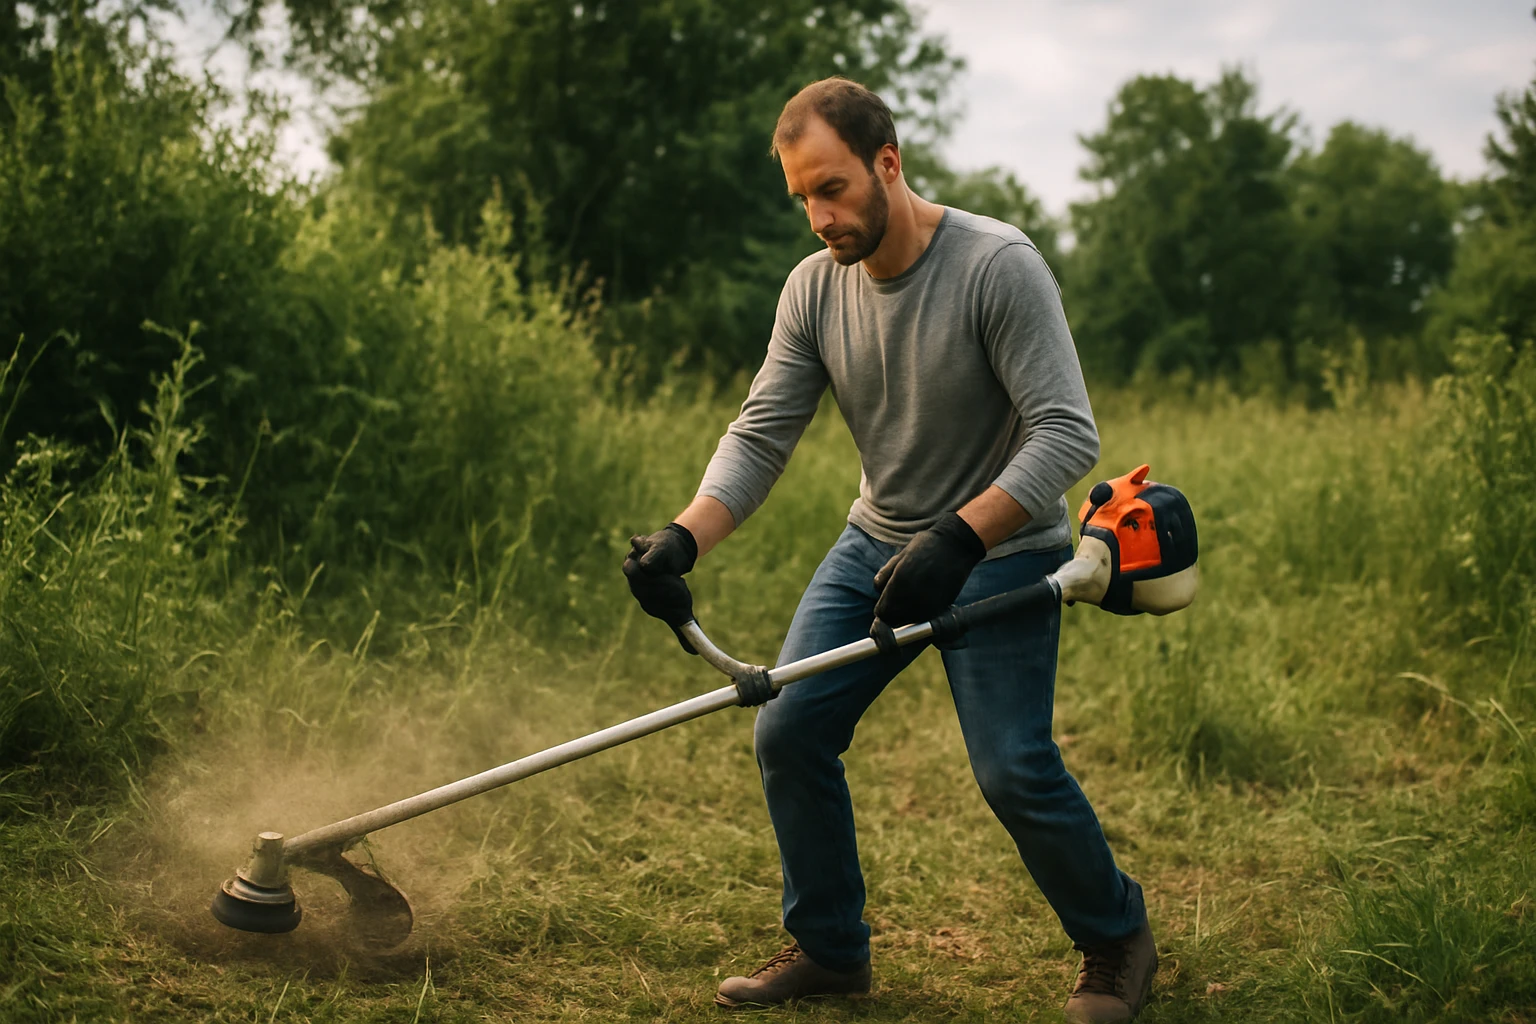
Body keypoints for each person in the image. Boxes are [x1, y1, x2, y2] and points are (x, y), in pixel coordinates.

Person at [622, 77, 1156, 1024]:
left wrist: (963, 534)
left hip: (1007, 549)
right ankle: (831, 949)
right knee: (789, 730)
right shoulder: (813, 289)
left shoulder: (998, 266)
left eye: (832, 189)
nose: (821, 216)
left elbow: (1068, 434)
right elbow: (761, 435)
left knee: (1011, 767)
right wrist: (682, 538)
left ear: (888, 163)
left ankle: (1117, 940)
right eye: (803, 199)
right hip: (878, 538)